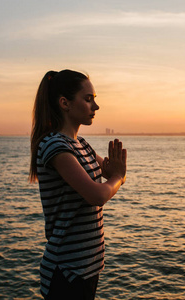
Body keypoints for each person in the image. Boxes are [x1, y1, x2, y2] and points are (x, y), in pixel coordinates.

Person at [29, 69, 127, 300]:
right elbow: (97, 195)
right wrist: (118, 178)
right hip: (67, 270)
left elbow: (110, 170)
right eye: (88, 99)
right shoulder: (55, 146)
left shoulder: (81, 143)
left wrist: (116, 174)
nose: (96, 106)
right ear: (65, 103)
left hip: (88, 266)